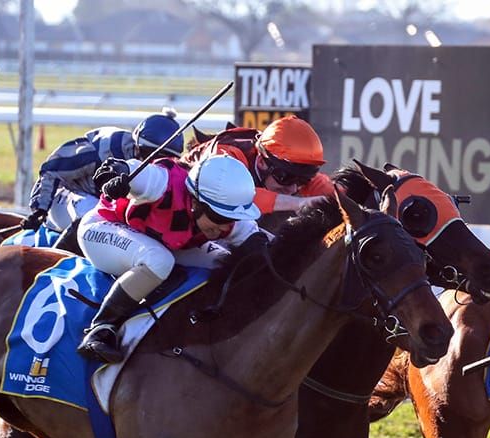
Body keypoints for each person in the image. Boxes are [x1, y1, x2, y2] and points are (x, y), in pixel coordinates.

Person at [75, 154, 267, 363]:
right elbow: (131, 170)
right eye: (220, 216)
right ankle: (101, 328)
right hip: (102, 228)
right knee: (160, 260)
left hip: (157, 242)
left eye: (233, 218)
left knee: (221, 262)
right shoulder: (162, 183)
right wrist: (115, 173)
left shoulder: (230, 220)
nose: (225, 226)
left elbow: (261, 243)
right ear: (196, 201)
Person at [22, 108, 186, 235]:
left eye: (164, 159)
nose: (153, 163)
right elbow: (52, 170)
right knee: (93, 212)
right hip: (65, 197)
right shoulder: (103, 148)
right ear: (137, 145)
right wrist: (39, 209)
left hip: (104, 204)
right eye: (150, 155)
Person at [186, 114, 333, 216]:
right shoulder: (227, 156)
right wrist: (298, 203)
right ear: (262, 162)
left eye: (302, 181)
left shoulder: (288, 167)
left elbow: (332, 191)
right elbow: (234, 197)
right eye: (286, 178)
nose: (293, 188)